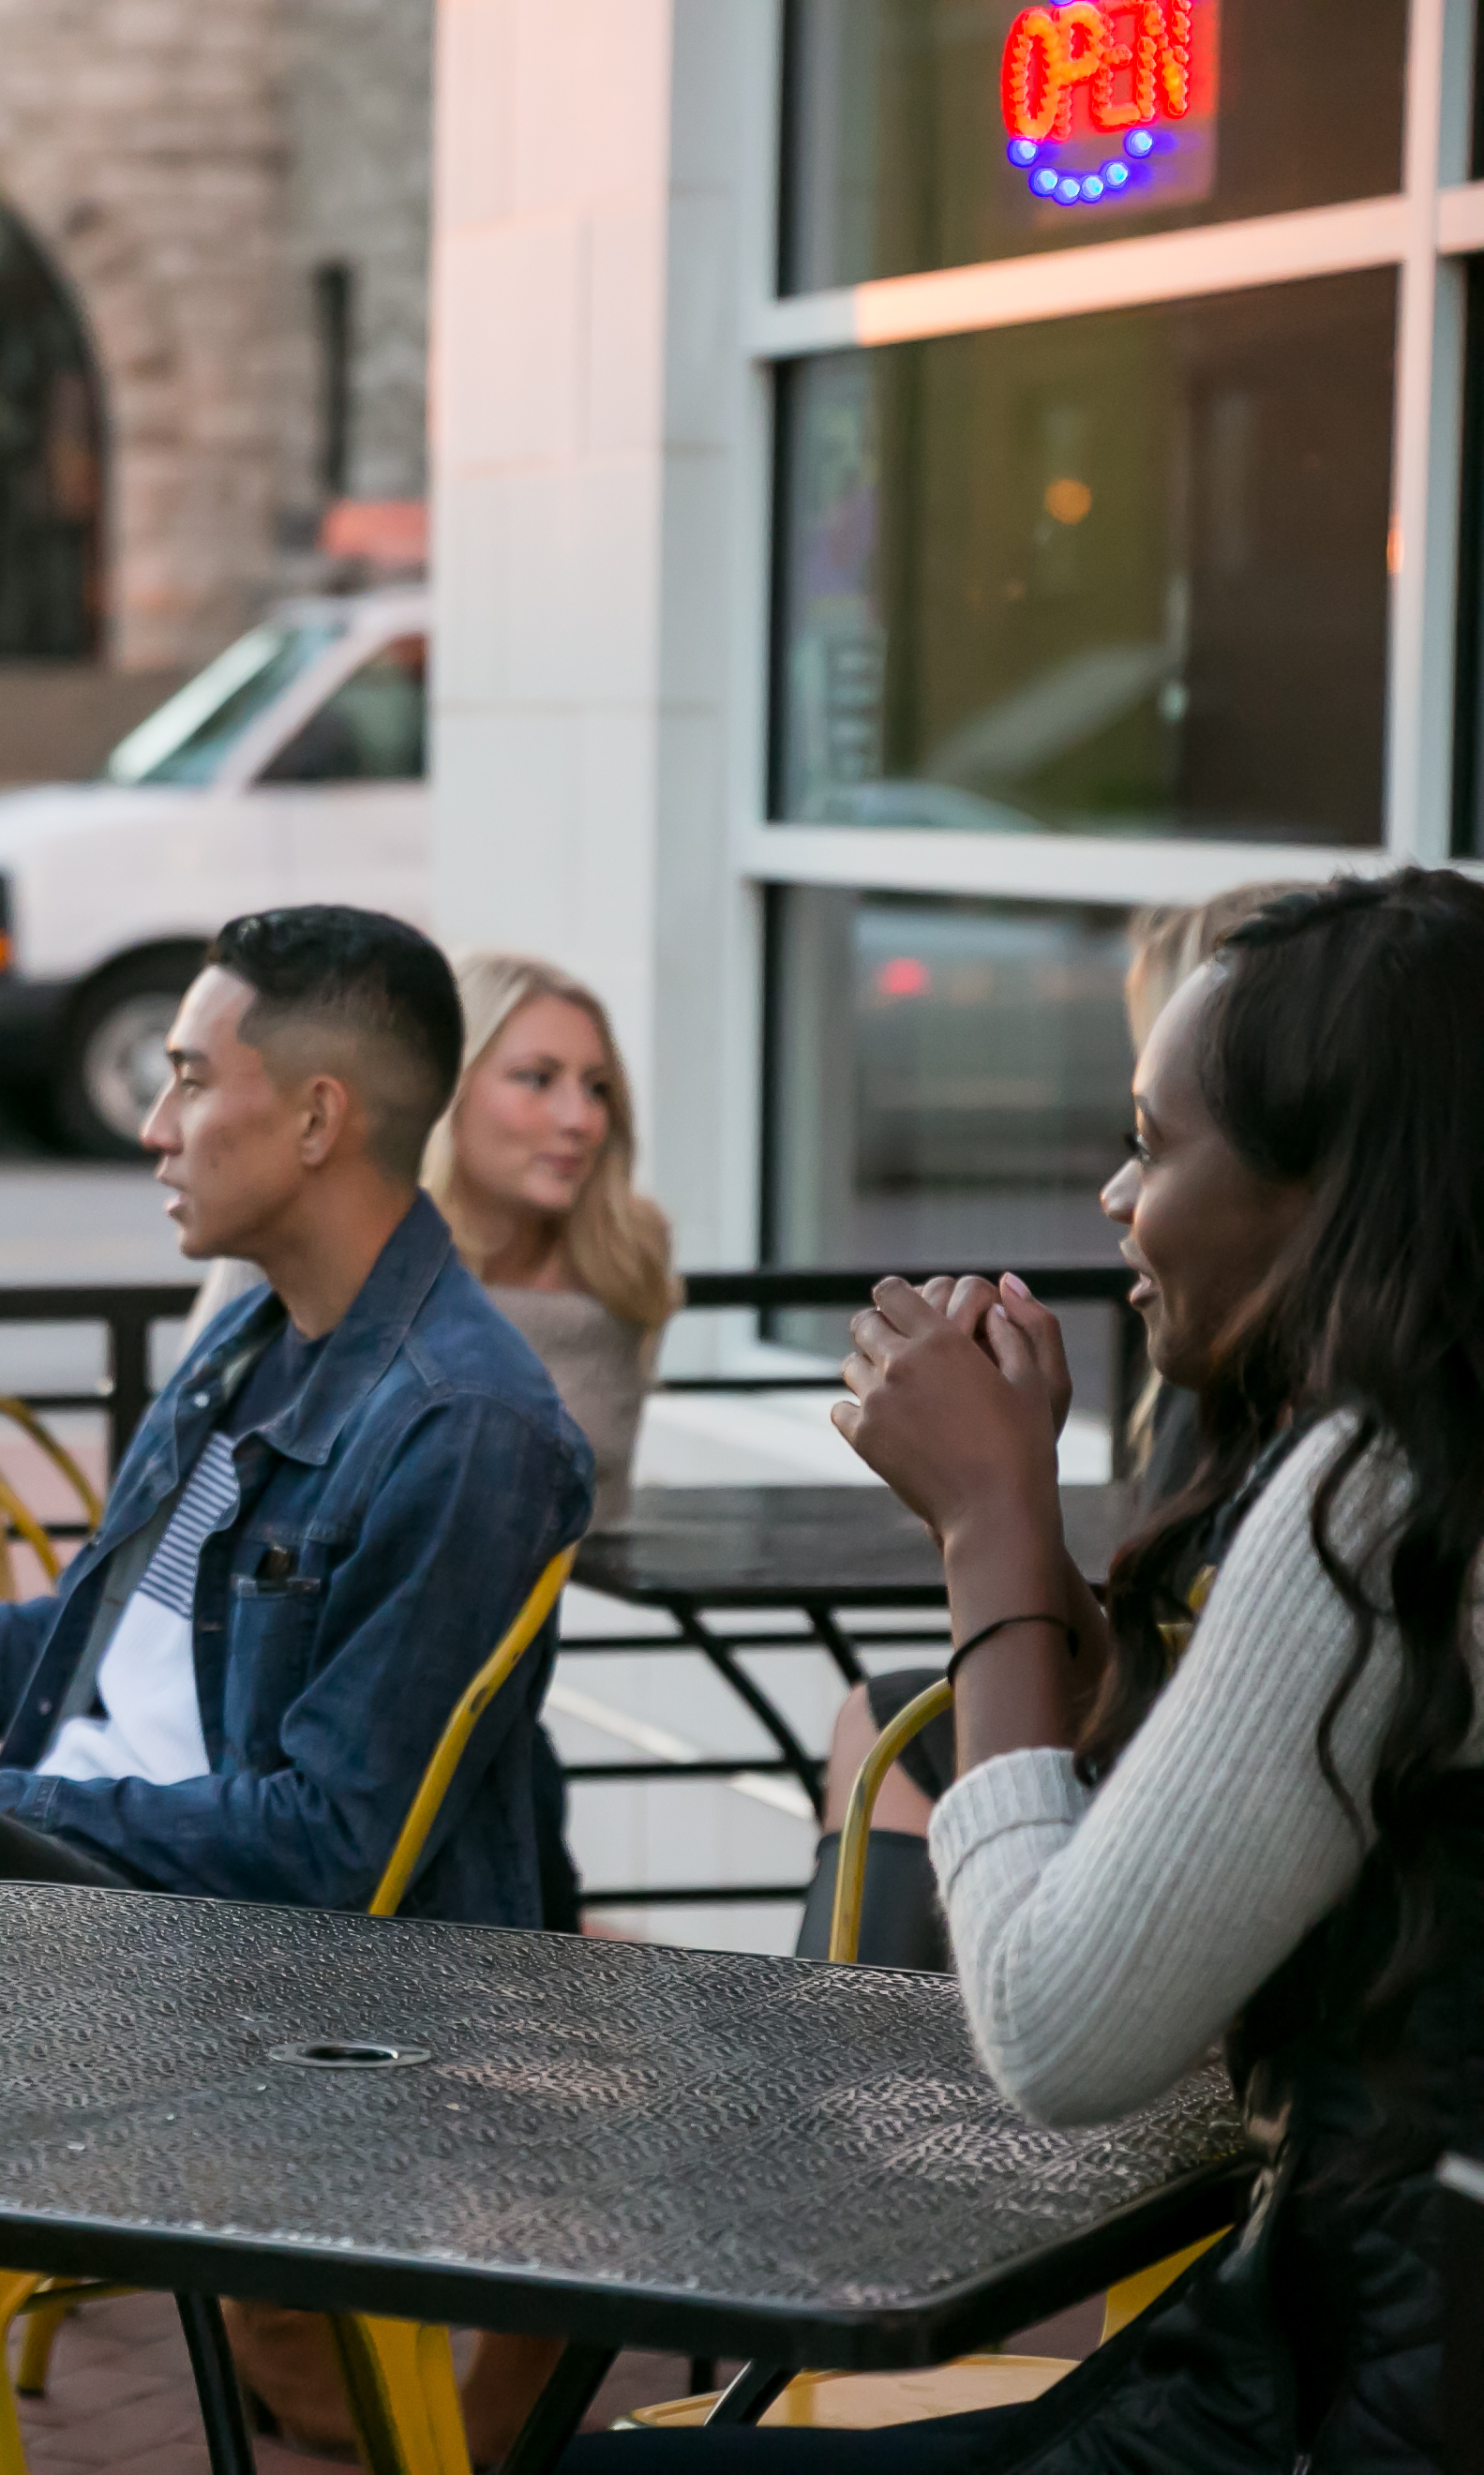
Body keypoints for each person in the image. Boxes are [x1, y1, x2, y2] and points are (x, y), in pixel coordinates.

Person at [585, 868, 1484, 2471]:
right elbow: (1221, 1828)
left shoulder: (1385, 1491)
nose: (1114, 1199)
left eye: (1151, 1140)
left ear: (1326, 1185)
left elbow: (1064, 2032)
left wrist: (990, 1532)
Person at [0, 906, 592, 2461]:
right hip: (74, 1887)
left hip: (240, 1975)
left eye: (188, 1078)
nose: (152, 1124)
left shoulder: (466, 1429)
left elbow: (335, 1843)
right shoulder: (254, 1339)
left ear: (318, 1118)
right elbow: (81, 1651)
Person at [796, 879, 1294, 1970]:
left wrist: (990, 1510)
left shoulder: (1356, 1510)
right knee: (890, 1719)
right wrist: (996, 1483)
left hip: (1284, 2124)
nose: (1113, 1196)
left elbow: (1047, 2008)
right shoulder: (1333, 1455)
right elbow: (1135, 1725)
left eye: (1153, 1145)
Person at [191, 952, 674, 1523]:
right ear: (443, 1091)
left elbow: (591, 1510)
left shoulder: (621, 1258)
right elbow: (191, 1457)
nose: (581, 1118)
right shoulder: (304, 1235)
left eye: (597, 1088)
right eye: (537, 1079)